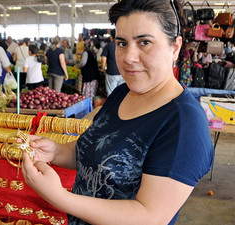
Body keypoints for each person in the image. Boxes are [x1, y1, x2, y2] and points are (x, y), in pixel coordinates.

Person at [21, 1, 214, 225]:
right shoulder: (123, 93)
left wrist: (60, 198)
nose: (128, 57)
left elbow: (150, 217)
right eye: (122, 43)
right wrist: (55, 152)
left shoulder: (184, 124)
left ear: (175, 47)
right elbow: (93, 151)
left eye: (144, 42)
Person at [101, 30, 125, 96]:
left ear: (111, 37)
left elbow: (103, 59)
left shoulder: (108, 46)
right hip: (122, 73)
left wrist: (103, 69)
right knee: (121, 94)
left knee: (111, 94)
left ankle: (113, 106)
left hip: (112, 73)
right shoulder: (123, 45)